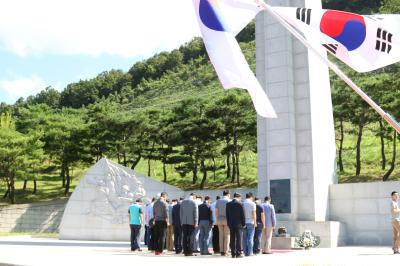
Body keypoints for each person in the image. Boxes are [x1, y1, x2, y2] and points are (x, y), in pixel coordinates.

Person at [226, 193, 245, 258]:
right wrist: (244, 224)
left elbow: (227, 215)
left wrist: (228, 223)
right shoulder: (240, 204)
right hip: (239, 224)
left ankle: (233, 253)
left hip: (231, 224)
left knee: (232, 238)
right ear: (238, 197)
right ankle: (238, 253)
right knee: (239, 238)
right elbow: (243, 215)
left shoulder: (228, 204)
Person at [216, 190, 231, 256]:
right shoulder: (229, 201)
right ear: (228, 194)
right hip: (227, 220)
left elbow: (216, 211)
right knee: (227, 235)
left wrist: (216, 220)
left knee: (221, 235)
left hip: (219, 219)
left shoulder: (218, 201)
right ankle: (226, 251)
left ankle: (221, 251)